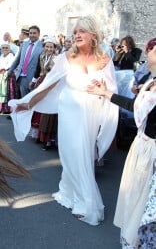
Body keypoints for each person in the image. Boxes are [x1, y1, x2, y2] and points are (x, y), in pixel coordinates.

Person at [8, 16, 118, 225]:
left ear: (93, 35)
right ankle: (79, 199)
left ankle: (78, 198)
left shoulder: (105, 58)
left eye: (82, 31)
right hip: (69, 114)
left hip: (90, 114)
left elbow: (111, 89)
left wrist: (102, 88)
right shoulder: (66, 57)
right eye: (75, 31)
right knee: (71, 154)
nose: (76, 35)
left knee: (83, 155)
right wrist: (27, 104)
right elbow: (47, 85)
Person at [87, 37, 156, 248]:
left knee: (144, 204)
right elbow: (133, 105)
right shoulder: (151, 82)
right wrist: (105, 93)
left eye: (153, 49)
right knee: (133, 197)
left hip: (152, 151)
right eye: (151, 49)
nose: (150, 52)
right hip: (140, 146)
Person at [7, 25, 43, 98]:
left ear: (38, 34)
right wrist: (10, 71)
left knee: (32, 101)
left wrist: (36, 79)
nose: (32, 35)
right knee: (23, 100)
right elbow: (18, 59)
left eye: (34, 33)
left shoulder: (42, 47)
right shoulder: (24, 44)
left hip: (33, 79)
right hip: (22, 78)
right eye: (30, 33)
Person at [0, 43, 15, 113]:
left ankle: (6, 108)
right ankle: (0, 107)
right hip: (0, 74)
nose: (5, 49)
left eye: (6, 48)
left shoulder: (11, 56)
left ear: (9, 49)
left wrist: (3, 68)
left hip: (8, 74)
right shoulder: (1, 55)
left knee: (7, 91)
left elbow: (10, 64)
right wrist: (0, 69)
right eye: (3, 48)